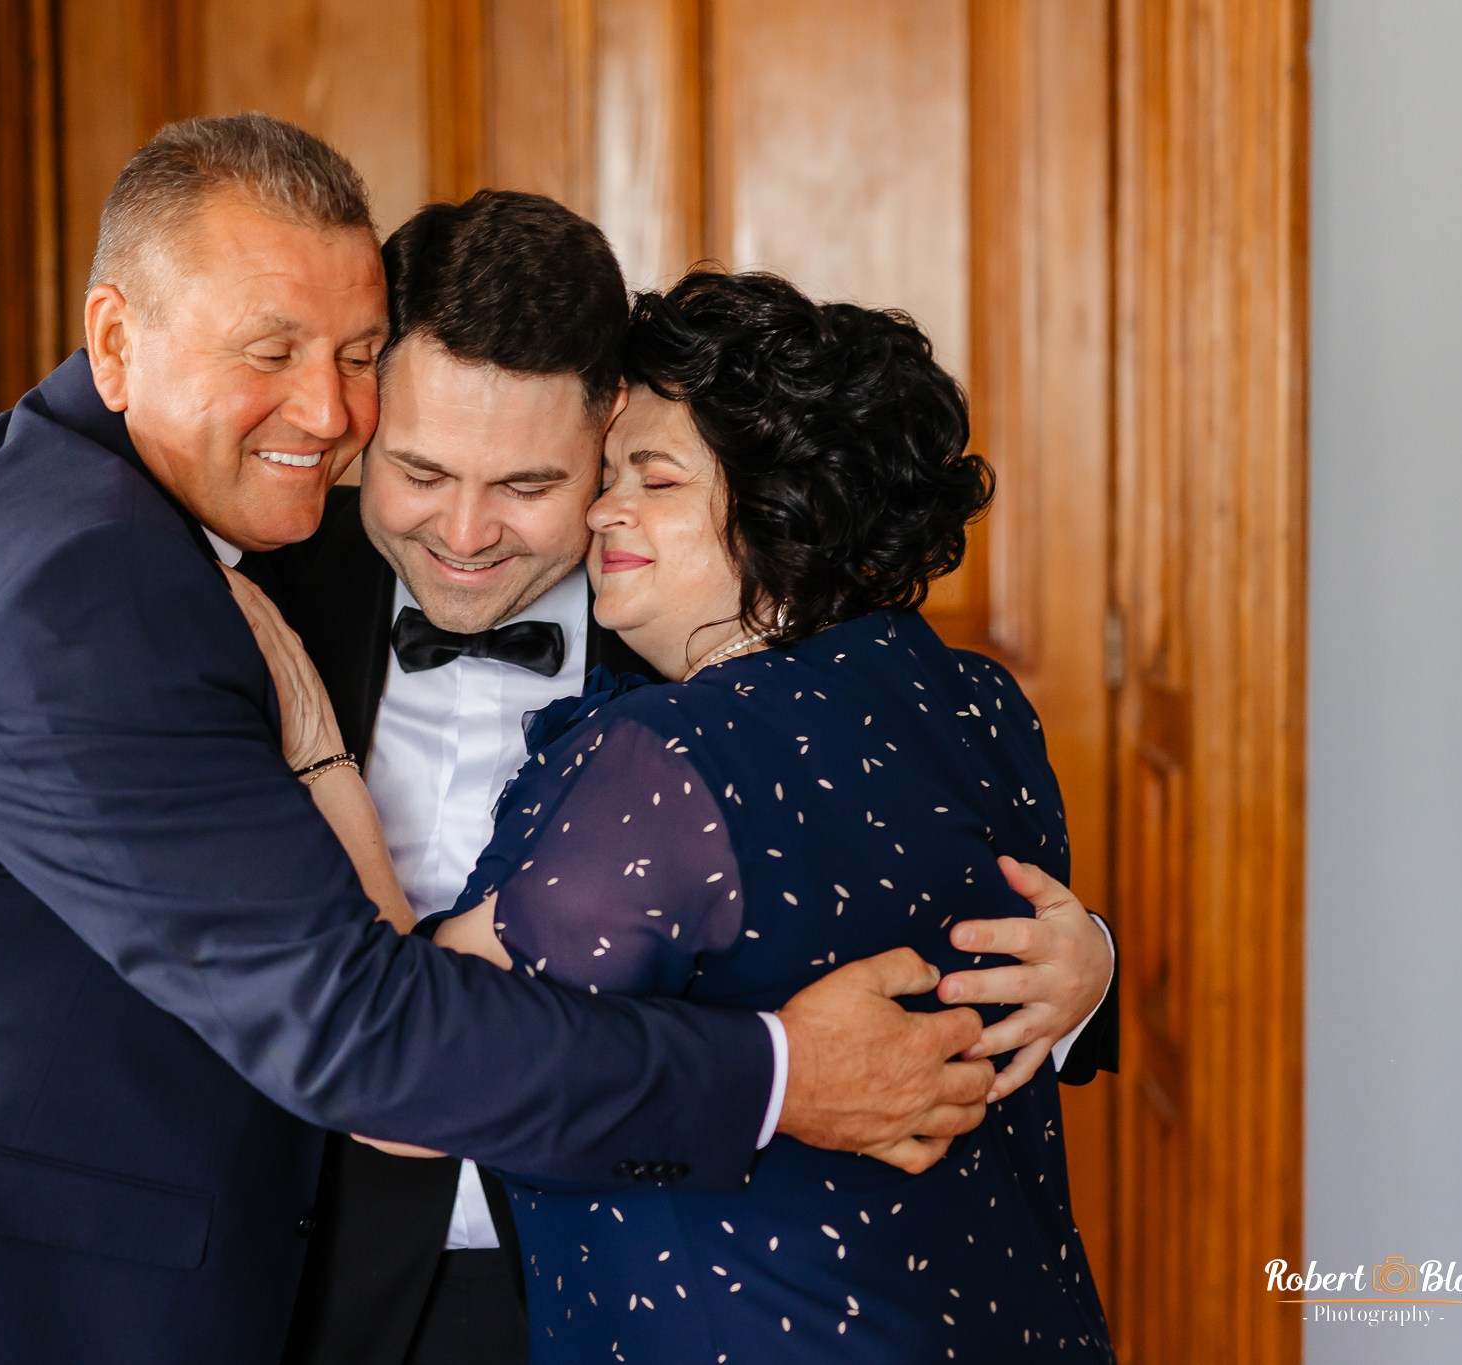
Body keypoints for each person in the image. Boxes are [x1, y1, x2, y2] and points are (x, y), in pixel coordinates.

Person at [0, 117, 1003, 1365]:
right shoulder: (245, 571)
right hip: (296, 1284)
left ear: (610, 440)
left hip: (628, 1277)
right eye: (418, 470)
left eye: (530, 484)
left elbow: (894, 831)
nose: (464, 534)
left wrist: (1083, 970)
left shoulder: (702, 613)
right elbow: (30, 682)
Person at [240, 271, 1116, 1361]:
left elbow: (407, 1068)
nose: (601, 510)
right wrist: (1092, 959)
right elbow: (1002, 948)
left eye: (651, 480)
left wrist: (320, 758)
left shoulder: (664, 757)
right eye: (607, 475)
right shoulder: (979, 699)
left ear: (788, 515)